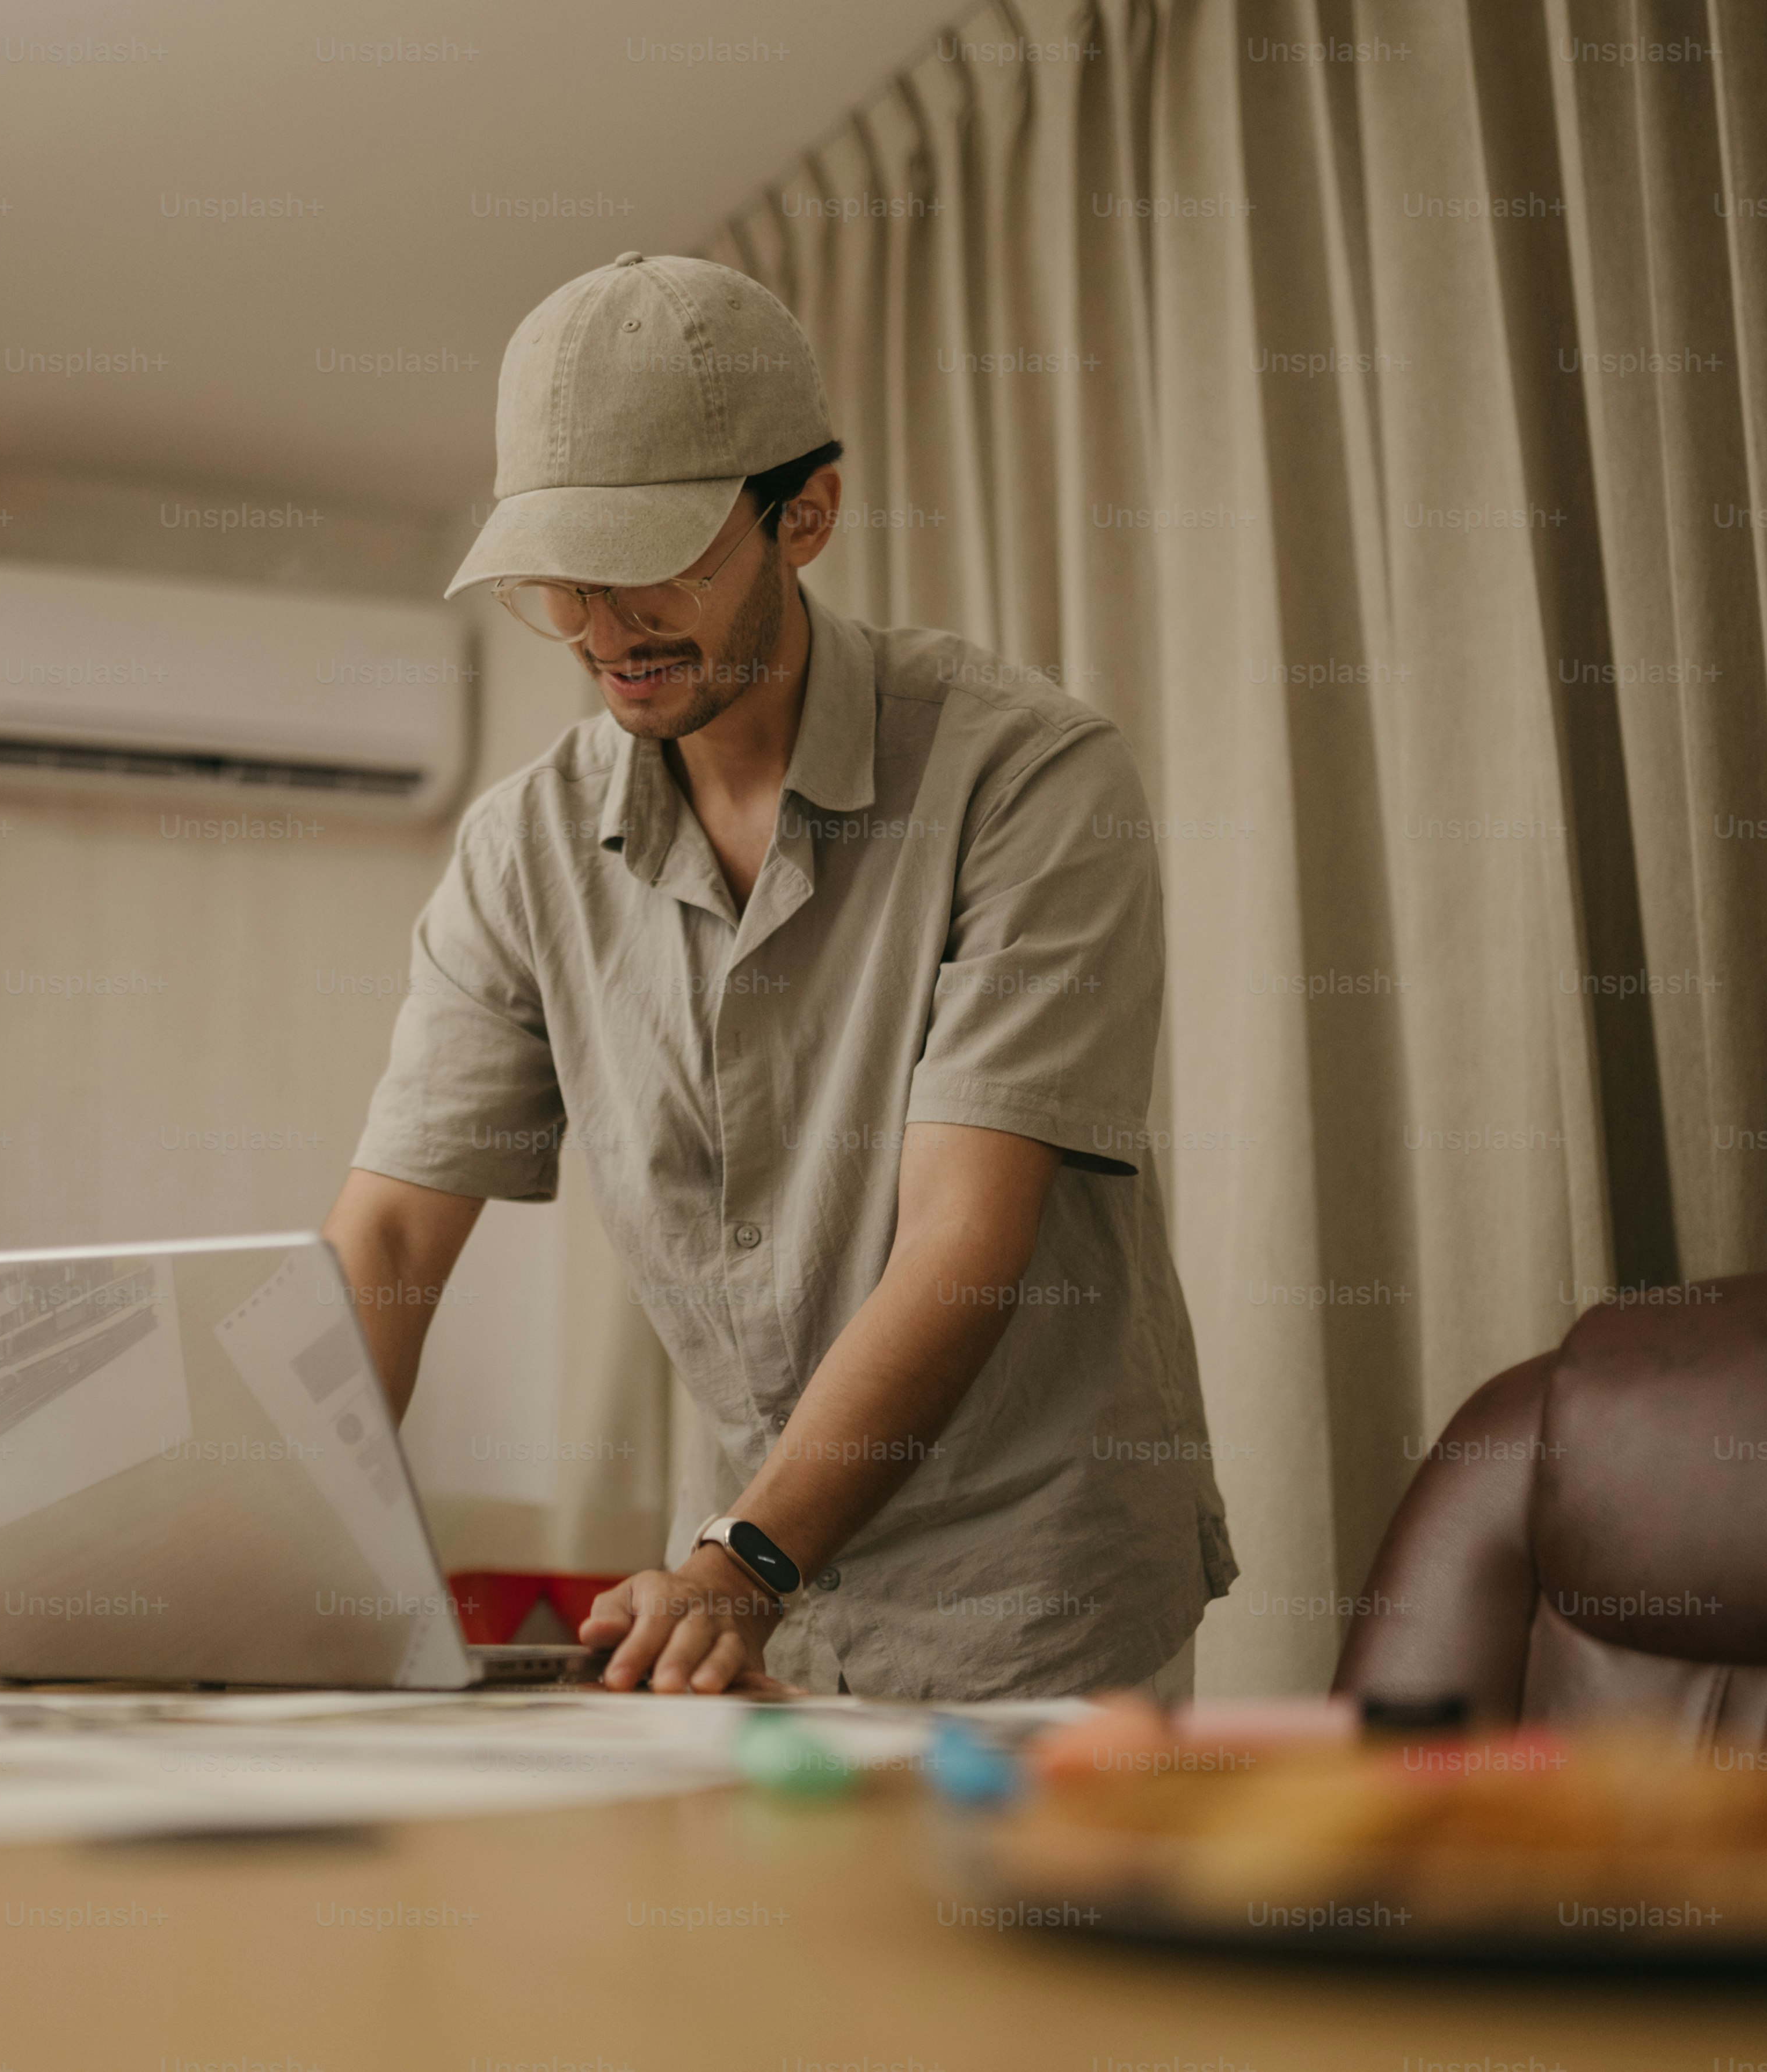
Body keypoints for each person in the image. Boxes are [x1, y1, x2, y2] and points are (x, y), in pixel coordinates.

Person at [325, 253, 1235, 1702]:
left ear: (799, 514)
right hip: (745, 1611)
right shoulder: (525, 848)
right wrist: (290, 1567)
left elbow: (959, 1237)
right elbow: (383, 1242)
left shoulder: (1029, 776)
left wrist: (741, 1561)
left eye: (656, 561)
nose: (603, 626)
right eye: (560, 578)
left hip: (1032, 1610)